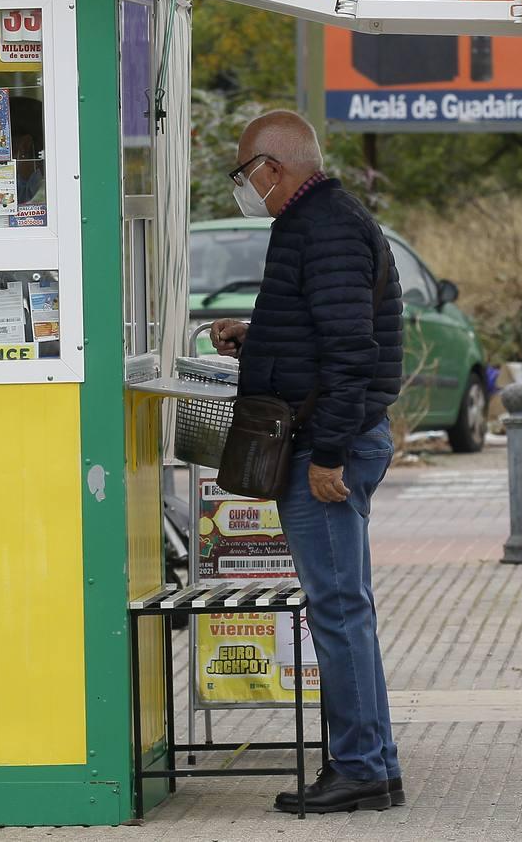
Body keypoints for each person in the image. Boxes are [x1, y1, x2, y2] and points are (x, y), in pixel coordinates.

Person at [210, 110, 404, 814]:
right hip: (333, 435)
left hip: (331, 446)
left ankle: (358, 769)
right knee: (346, 609)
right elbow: (325, 326)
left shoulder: (322, 226)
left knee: (338, 611)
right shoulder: (315, 221)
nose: (242, 187)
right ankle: (372, 764)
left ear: (272, 168)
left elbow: (352, 350)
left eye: (243, 174)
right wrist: (259, 337)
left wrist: (326, 456)